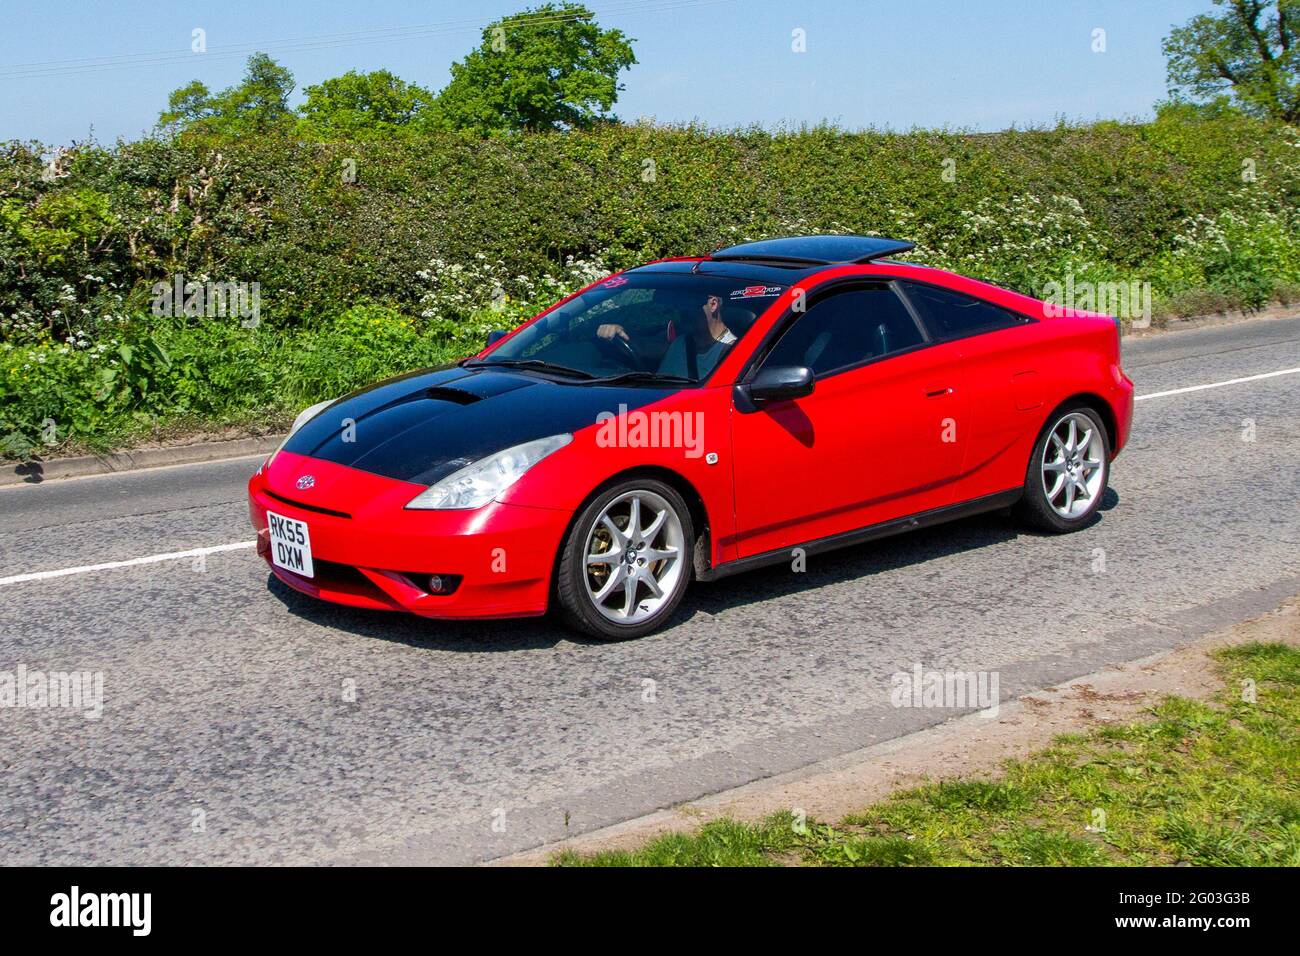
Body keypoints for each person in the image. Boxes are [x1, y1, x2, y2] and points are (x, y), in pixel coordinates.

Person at [596, 294, 737, 379]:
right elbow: (641, 348)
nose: (682, 312)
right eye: (680, 306)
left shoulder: (730, 351)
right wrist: (617, 331)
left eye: (689, 306)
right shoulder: (682, 342)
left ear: (713, 303)